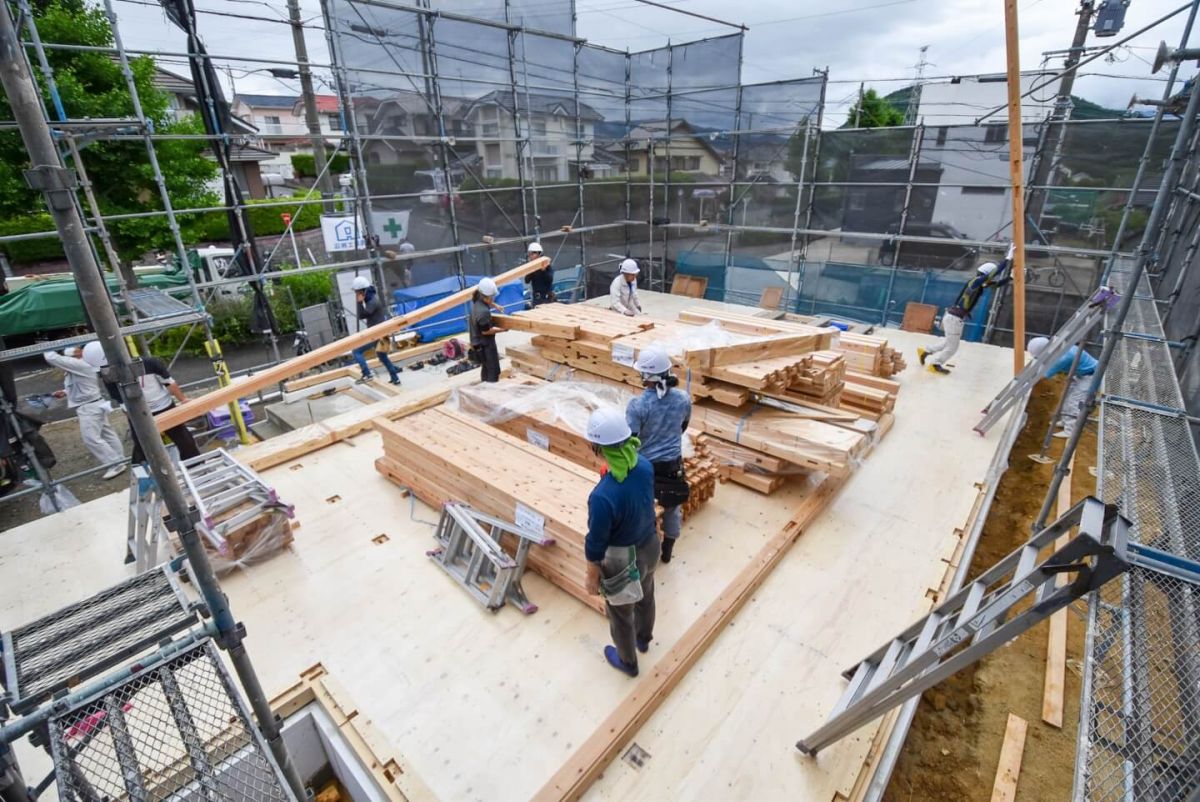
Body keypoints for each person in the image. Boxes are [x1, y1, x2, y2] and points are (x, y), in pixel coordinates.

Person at [584, 407, 659, 677]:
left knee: (621, 614)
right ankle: (643, 639)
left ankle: (628, 662)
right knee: (646, 595)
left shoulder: (602, 496)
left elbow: (596, 545)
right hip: (650, 544)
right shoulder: (644, 465)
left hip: (622, 560)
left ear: (597, 447)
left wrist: (592, 579)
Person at [626, 347, 691, 564]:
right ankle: (667, 552)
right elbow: (683, 426)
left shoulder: (637, 405)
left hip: (645, 468)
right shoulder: (683, 399)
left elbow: (631, 439)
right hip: (673, 466)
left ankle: (646, 556)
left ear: (646, 376)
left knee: (645, 511)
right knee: (672, 510)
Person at [84, 341, 200, 464]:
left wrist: (183, 400)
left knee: (184, 440)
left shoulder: (149, 363)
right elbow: (122, 403)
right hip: (138, 413)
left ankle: (195, 466)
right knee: (142, 446)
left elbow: (169, 383)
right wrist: (134, 421)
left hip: (164, 407)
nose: (103, 371)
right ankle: (147, 472)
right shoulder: (110, 377)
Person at [919, 243, 1014, 375]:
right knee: (952, 347)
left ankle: (926, 350)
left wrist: (1010, 277)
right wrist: (1007, 260)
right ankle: (935, 364)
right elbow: (993, 274)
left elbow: (996, 284)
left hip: (952, 317)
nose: (990, 279)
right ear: (985, 274)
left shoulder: (979, 284)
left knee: (948, 342)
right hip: (954, 319)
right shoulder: (975, 282)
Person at [44, 346, 126, 480]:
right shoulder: (80, 367)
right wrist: (65, 392)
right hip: (95, 403)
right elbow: (79, 384)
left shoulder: (80, 364)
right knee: (107, 433)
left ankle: (115, 464)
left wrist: (44, 346)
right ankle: (120, 460)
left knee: (91, 438)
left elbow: (52, 357)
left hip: (89, 407)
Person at [1027, 336, 1098, 437]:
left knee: (1074, 402)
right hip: (1080, 373)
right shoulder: (1058, 345)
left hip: (1091, 376)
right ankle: (1065, 421)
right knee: (1066, 397)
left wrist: (1026, 384)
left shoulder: (1061, 358)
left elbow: (1042, 376)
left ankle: (1070, 430)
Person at [350, 275, 402, 385]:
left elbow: (362, 315)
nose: (356, 295)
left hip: (377, 334)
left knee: (356, 351)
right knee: (383, 357)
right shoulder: (372, 298)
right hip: (381, 333)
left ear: (363, 291)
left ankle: (367, 374)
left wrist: (359, 302)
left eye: (357, 292)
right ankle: (395, 378)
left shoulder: (372, 301)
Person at [468, 277, 503, 383]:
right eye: (492, 297)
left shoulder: (476, 300)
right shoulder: (483, 312)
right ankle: (490, 393)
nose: (493, 298)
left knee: (486, 368)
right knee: (494, 371)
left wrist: (495, 305)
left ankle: (484, 387)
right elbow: (486, 331)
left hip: (477, 343)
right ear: (487, 297)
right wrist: (502, 329)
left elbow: (486, 301)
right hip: (485, 345)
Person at [523, 242, 555, 307]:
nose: (530, 256)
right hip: (536, 298)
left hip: (546, 298)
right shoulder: (531, 267)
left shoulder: (547, 265)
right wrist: (530, 270)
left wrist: (543, 270)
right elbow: (527, 280)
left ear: (539, 254)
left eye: (532, 254)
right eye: (529, 254)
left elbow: (550, 279)